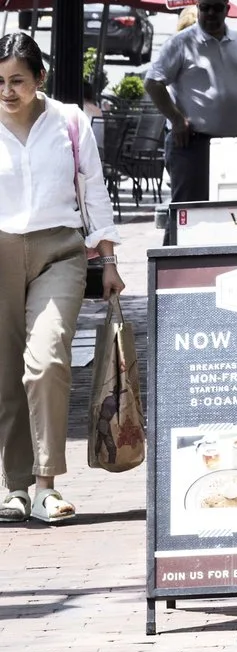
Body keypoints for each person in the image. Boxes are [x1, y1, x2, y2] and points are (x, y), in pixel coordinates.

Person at [0, 32, 121, 526]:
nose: (7, 91)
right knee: (8, 372)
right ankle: (15, 487)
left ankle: (46, 485)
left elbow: (94, 190)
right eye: (0, 82)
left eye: (18, 81)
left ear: (40, 79)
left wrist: (109, 259)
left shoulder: (70, 122)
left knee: (46, 359)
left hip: (61, 251)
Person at [144, 0, 237, 204]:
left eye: (217, 8)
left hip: (232, 144)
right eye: (205, 8)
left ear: (227, 9)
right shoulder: (181, 42)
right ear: (198, 7)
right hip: (192, 146)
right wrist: (176, 119)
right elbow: (153, 82)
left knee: (231, 213)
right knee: (188, 213)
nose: (210, 14)